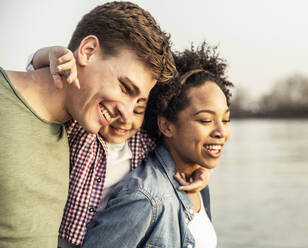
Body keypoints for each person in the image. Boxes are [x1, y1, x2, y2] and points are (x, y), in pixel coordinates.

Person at [0, 2, 176, 247]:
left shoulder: (82, 130)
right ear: (88, 50)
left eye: (138, 100)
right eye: (125, 88)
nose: (126, 112)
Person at [27, 46, 210, 248]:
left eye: (138, 110)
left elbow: (174, 154)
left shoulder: (142, 142)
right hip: (55, 239)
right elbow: (40, 76)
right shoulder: (81, 130)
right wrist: (50, 55)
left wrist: (200, 172)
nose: (125, 118)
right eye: (122, 102)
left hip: (106, 235)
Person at [82, 43, 233, 248]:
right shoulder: (144, 199)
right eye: (205, 120)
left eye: (225, 120)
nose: (221, 132)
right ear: (166, 125)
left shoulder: (198, 182)